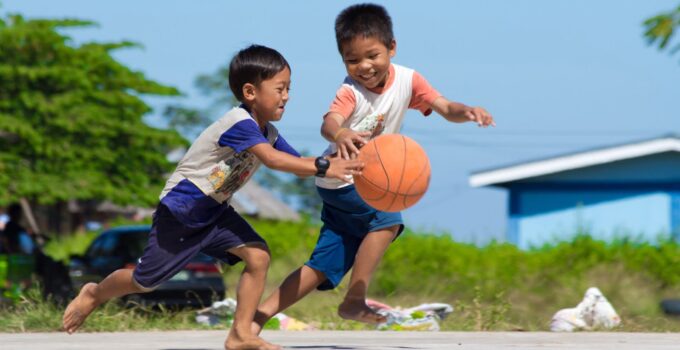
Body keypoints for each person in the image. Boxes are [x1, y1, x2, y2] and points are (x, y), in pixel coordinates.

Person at [62, 44, 363, 350]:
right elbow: (274, 161)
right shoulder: (239, 123)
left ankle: (240, 334)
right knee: (144, 281)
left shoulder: (267, 132)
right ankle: (94, 293)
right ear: (250, 92)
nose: (286, 96)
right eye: (280, 88)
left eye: (289, 88)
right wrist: (326, 166)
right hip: (183, 209)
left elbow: (299, 166)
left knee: (258, 257)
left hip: (215, 211)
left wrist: (344, 157)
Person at [252, 3, 495, 331]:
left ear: (392, 48)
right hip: (343, 178)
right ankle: (355, 298)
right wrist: (341, 132)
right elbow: (329, 123)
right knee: (387, 218)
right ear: (343, 61)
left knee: (323, 265)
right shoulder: (350, 92)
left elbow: (444, 106)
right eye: (352, 60)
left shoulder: (409, 80)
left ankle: (255, 320)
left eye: (372, 56)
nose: (364, 67)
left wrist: (466, 111)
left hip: (351, 184)